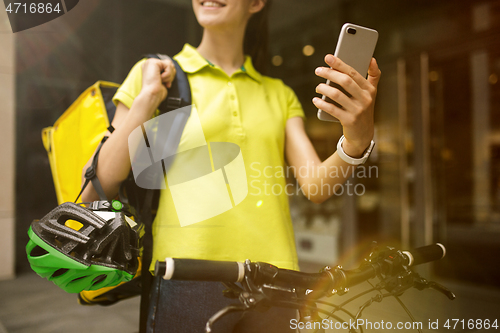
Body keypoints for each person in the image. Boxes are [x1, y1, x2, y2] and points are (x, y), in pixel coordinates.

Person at [81, 0, 381, 331]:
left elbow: (317, 187)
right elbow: (101, 184)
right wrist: (146, 101)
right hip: (185, 275)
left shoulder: (277, 94)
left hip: (274, 279)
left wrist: (356, 140)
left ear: (255, 3)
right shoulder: (158, 77)